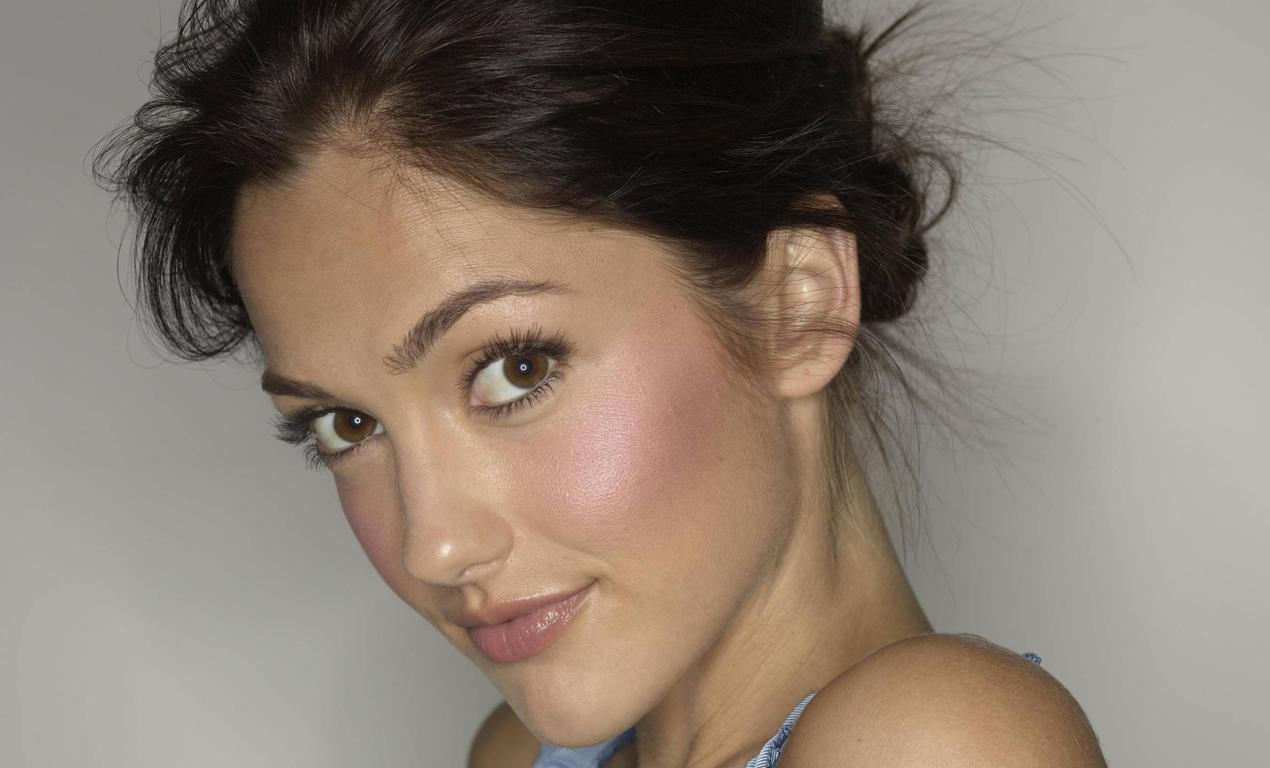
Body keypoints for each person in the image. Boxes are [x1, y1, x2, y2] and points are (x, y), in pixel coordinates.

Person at [92, 1, 1107, 765]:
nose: (434, 546)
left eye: (515, 368)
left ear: (797, 303)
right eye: (344, 424)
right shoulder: (516, 754)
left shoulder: (940, 742)